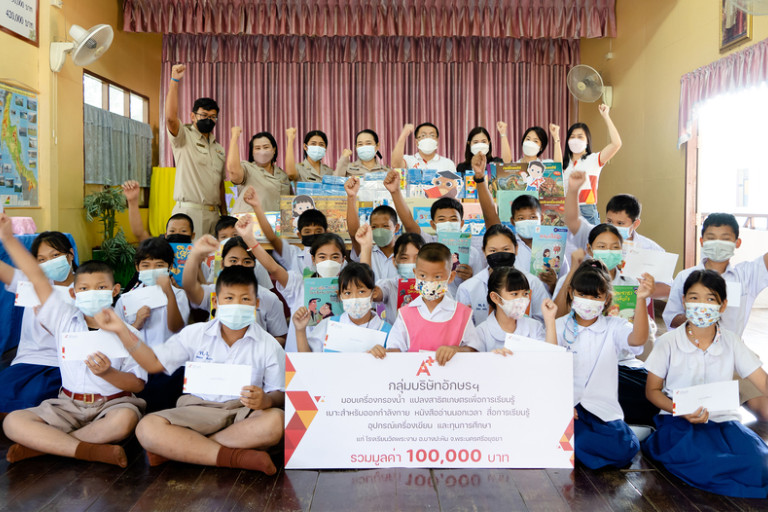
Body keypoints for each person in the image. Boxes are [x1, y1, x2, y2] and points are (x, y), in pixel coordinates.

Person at [0, 215, 146, 467]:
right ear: (74, 293)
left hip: (113, 403)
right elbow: (35, 278)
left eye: (101, 288)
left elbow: (137, 383)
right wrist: (8, 239)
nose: (92, 294)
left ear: (115, 290)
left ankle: (45, 447)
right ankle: (88, 449)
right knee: (13, 422)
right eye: (84, 290)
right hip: (68, 402)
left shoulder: (128, 331)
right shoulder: (64, 319)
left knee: (123, 421)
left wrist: (108, 373)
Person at [118, 266, 285, 474]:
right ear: (216, 301)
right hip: (196, 410)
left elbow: (279, 393)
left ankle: (183, 450)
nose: (236, 305)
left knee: (276, 421)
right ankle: (236, 457)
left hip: (243, 413)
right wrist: (120, 330)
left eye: (245, 299)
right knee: (147, 427)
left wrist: (265, 400)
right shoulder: (195, 334)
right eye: (229, 298)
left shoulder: (269, 344)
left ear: (256, 304)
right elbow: (153, 363)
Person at [643, 270, 768, 498]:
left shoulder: (731, 341)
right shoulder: (667, 342)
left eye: (710, 299)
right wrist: (679, 409)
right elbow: (652, 391)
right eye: (694, 298)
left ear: (722, 305)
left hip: (724, 423)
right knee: (704, 460)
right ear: (684, 302)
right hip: (679, 421)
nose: (701, 305)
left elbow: (763, 381)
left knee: (761, 464)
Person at [662, 212, 768, 420]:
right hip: (690, 358)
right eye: (711, 238)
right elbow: (671, 318)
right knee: (695, 415)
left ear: (737, 243)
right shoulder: (685, 277)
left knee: (765, 410)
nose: (718, 243)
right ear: (702, 241)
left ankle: (735, 417)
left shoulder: (747, 275)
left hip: (733, 358)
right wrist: (699, 319)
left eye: (725, 238)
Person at [553, 224, 660, 426]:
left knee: (649, 393)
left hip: (623, 363)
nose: (608, 252)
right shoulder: (572, 282)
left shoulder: (633, 283)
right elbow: (556, 318)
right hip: (580, 363)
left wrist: (639, 301)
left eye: (614, 247)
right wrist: (574, 269)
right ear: (590, 248)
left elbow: (638, 338)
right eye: (602, 246)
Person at [557, 259, 654, 469]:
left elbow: (637, 339)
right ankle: (573, 445)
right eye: (583, 294)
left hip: (602, 410)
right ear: (571, 293)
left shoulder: (614, 326)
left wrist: (641, 300)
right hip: (567, 408)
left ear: (607, 298)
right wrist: (561, 404)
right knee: (577, 439)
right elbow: (546, 370)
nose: (588, 301)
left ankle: (575, 447)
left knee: (625, 447)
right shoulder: (557, 327)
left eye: (596, 296)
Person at [233, 215, 359, 352]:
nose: (328, 261)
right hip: (298, 358)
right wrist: (249, 239)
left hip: (337, 356)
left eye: (334, 257)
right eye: (322, 257)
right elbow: (274, 268)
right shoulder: (298, 285)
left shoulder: (350, 290)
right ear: (313, 259)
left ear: (343, 260)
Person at [0, 232, 76, 414]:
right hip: (28, 361)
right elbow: (5, 272)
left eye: (55, 255)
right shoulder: (34, 284)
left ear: (70, 254)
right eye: (42, 259)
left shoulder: (87, 288)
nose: (49, 262)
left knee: (33, 404)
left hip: (63, 365)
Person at [563, 171, 670, 299]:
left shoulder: (650, 249)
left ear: (635, 224)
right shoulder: (594, 235)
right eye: (609, 221)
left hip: (632, 307)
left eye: (620, 223)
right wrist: (573, 190)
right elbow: (572, 221)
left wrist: (643, 289)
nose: (613, 227)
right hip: (594, 304)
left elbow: (668, 288)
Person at [370, 243, 479, 365]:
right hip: (414, 377)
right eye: (423, 275)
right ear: (415, 273)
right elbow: (395, 350)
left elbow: (474, 350)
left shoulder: (463, 314)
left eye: (437, 276)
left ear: (450, 277)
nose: (429, 281)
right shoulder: (405, 314)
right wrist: (381, 352)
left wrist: (457, 350)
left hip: (451, 377)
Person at [115, 237, 190, 411]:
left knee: (165, 409)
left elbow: (176, 327)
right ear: (137, 267)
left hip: (169, 367)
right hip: (137, 367)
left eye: (159, 265)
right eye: (146, 265)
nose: (152, 270)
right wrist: (136, 323)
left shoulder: (179, 295)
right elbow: (118, 338)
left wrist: (169, 294)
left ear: (169, 267)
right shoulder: (126, 299)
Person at [384, 169, 486, 295]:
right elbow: (409, 223)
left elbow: (480, 286)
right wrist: (395, 192)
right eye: (442, 219)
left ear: (461, 224)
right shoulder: (428, 244)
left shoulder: (472, 253)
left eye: (453, 219)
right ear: (433, 224)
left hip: (460, 303)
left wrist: (471, 277)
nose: (448, 223)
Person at [475, 153, 563, 291]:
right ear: (513, 221)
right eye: (521, 218)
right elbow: (489, 214)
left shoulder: (555, 247)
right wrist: (480, 179)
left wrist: (553, 284)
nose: (527, 221)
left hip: (545, 303)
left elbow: (566, 288)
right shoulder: (508, 245)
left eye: (532, 217)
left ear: (541, 219)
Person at [182, 236, 288, 346]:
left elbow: (281, 337)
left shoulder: (269, 298)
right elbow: (190, 288)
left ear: (254, 265)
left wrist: (257, 349)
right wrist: (194, 255)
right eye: (233, 260)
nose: (239, 265)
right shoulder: (213, 291)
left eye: (247, 261)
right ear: (222, 264)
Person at [165, 64, 226, 236]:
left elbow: (220, 185)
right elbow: (170, 119)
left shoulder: (219, 148)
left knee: (214, 254)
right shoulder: (184, 137)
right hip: (189, 213)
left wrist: (224, 215)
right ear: (193, 116)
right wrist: (174, 80)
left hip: (215, 215)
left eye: (213, 117)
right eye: (203, 115)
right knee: (190, 254)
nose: (208, 120)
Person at [456, 224, 551, 326]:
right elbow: (463, 327)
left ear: (516, 248)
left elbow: (543, 321)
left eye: (506, 249)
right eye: (493, 250)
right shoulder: (468, 288)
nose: (500, 255)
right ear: (484, 251)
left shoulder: (532, 283)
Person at [295, 262, 391, 352]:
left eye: (361, 291)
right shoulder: (329, 325)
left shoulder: (387, 331)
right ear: (340, 296)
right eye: (348, 293)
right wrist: (300, 330)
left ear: (374, 293)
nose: (354, 298)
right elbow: (307, 359)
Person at [241, 185, 327, 275]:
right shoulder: (292, 255)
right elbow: (272, 238)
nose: (313, 234)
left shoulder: (333, 255)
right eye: (307, 232)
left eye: (318, 231)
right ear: (299, 235)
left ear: (326, 233)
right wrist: (256, 207)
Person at [468, 267, 559, 352]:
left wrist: (550, 320)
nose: (521, 299)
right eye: (515, 294)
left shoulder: (534, 327)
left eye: (525, 294)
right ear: (496, 298)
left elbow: (550, 358)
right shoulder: (481, 333)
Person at [562, 104, 622, 225]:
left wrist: (606, 116)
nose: (575, 140)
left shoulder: (594, 159)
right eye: (572, 137)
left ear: (587, 141)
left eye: (580, 137)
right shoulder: (564, 165)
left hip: (587, 212)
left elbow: (616, 144)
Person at [345, 176, 399, 280]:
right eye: (374, 227)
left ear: (396, 228)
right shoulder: (366, 251)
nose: (380, 230)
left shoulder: (404, 255)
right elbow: (354, 234)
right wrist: (351, 197)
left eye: (385, 226)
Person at [228, 127, 291, 213]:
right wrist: (234, 138)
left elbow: (287, 204)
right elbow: (233, 172)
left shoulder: (282, 175)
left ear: (274, 150)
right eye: (257, 148)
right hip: (247, 220)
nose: (262, 152)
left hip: (272, 221)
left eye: (266, 147)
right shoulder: (247, 168)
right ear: (252, 152)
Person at [372, 232, 425, 325]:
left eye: (418, 258)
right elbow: (374, 294)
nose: (411, 263)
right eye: (404, 258)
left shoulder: (433, 287)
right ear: (394, 261)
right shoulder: (389, 285)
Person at [391, 123, 456, 172]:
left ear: (437, 141)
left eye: (432, 135)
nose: (428, 138)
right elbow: (395, 165)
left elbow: (455, 185)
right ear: (416, 142)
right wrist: (403, 135)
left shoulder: (448, 164)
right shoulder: (408, 160)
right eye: (423, 135)